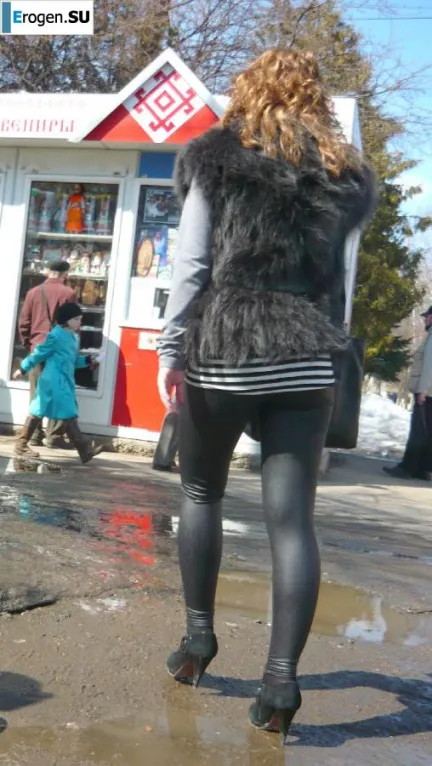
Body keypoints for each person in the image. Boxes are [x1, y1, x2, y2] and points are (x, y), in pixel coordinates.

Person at [155, 48, 377, 742]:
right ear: (316, 99)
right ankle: (280, 682)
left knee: (201, 493)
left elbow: (192, 264)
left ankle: (198, 643)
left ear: (247, 91)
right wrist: (327, 350)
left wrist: (171, 349)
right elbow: (338, 283)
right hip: (305, 353)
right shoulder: (343, 175)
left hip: (226, 345)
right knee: (292, 523)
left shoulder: (216, 159)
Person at [13, 303, 103, 465]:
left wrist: (88, 360)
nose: (79, 322)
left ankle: (22, 444)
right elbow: (39, 354)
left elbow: (73, 360)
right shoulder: (55, 335)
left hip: (64, 380)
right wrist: (23, 368)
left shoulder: (73, 337)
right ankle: (83, 448)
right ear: (66, 320)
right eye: (76, 319)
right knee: (65, 411)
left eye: (80, 319)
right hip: (53, 381)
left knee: (46, 410)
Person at [19, 258, 78, 449]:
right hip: (59, 351)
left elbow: (24, 323)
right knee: (60, 391)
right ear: (65, 274)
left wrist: (29, 345)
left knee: (37, 393)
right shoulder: (69, 293)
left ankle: (34, 435)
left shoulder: (33, 292)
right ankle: (54, 436)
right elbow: (71, 323)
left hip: (38, 348)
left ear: (47, 272)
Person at [384, 306, 432, 481]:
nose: (425, 319)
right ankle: (423, 468)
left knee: (418, 431)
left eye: (427, 316)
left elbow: (429, 365)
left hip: (427, 393)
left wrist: (422, 391)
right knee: (428, 431)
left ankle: (407, 468)